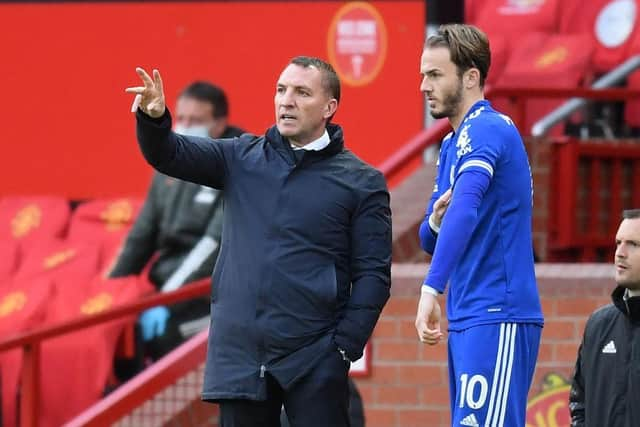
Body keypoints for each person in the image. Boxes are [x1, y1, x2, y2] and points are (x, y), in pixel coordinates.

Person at [125, 56, 392, 427]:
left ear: (330, 107)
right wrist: (154, 119)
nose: (287, 101)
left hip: (314, 358)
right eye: (281, 90)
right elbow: (169, 153)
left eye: (301, 92)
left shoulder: (362, 182)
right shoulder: (240, 157)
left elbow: (373, 277)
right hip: (241, 359)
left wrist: (344, 347)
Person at [414, 24, 544, 426]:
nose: (423, 86)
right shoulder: (453, 143)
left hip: (498, 310)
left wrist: (430, 288)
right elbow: (429, 237)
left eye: (435, 74)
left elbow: (467, 206)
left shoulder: (487, 127)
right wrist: (436, 220)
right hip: (470, 312)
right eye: (423, 74)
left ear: (471, 76)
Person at [109, 81, 245, 361]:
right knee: (116, 331)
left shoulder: (240, 164)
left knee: (162, 334)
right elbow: (141, 236)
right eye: (181, 118)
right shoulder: (168, 161)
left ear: (219, 124)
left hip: (211, 296)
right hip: (166, 288)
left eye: (196, 120)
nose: (184, 125)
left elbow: (213, 244)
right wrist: (109, 292)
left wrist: (167, 301)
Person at [569, 209, 640, 427]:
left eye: (633, 245)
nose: (620, 252)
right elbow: (579, 403)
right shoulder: (599, 325)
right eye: (618, 243)